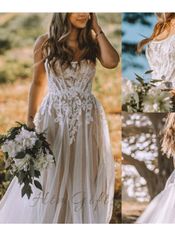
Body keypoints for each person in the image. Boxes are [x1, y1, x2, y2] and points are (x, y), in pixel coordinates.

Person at [0, 12, 119, 223]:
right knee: (51, 174)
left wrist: (97, 28)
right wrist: (30, 120)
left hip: (87, 119)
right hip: (54, 117)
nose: (84, 12)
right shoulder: (45, 42)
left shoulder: (92, 42)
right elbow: (37, 83)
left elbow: (112, 62)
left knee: (84, 173)